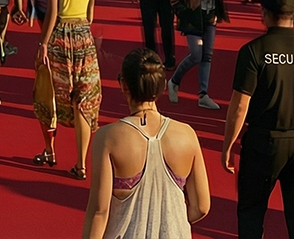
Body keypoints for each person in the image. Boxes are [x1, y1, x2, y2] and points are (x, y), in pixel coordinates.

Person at [221, 0, 294, 239]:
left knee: (251, 213)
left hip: (263, 142)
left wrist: (228, 145)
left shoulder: (253, 52)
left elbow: (240, 106)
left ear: (265, 13)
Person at [81, 49, 209, 239]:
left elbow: (99, 211)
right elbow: (201, 207)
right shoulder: (187, 135)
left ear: (124, 85)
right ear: (162, 86)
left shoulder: (107, 138)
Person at [33, 0, 101, 180]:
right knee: (82, 100)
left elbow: (51, 16)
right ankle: (81, 164)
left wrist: (43, 44)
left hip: (60, 36)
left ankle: (50, 150)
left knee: (47, 92)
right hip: (85, 37)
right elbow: (91, 15)